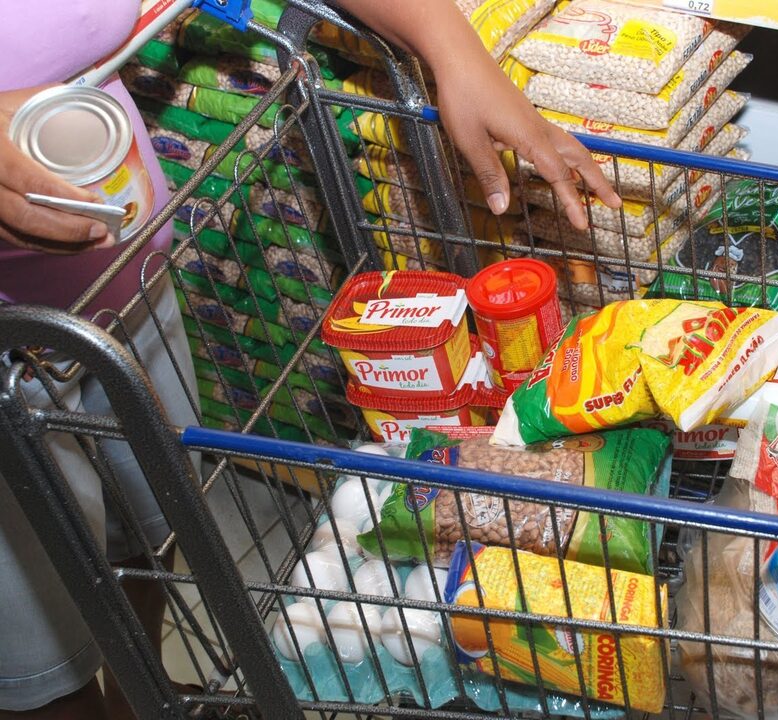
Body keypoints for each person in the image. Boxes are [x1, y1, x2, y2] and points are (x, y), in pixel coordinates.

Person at [0, 1, 620, 718]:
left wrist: (453, 50)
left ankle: (140, 696)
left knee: (155, 521)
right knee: (39, 653)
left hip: (124, 292)